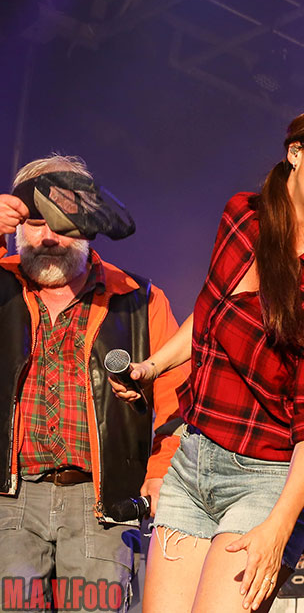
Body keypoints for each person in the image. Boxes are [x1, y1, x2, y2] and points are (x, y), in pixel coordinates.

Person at [118, 103, 304, 613]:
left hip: (267, 479)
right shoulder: (242, 217)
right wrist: (153, 367)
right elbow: (210, 310)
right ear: (296, 152)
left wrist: (279, 527)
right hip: (193, 460)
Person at [0, 155, 186, 611]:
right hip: (9, 502)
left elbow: (179, 400)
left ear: (90, 224)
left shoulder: (139, 300)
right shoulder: (2, 285)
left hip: (102, 507)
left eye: (64, 223)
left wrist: (161, 474)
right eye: (36, 221)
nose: (48, 236)